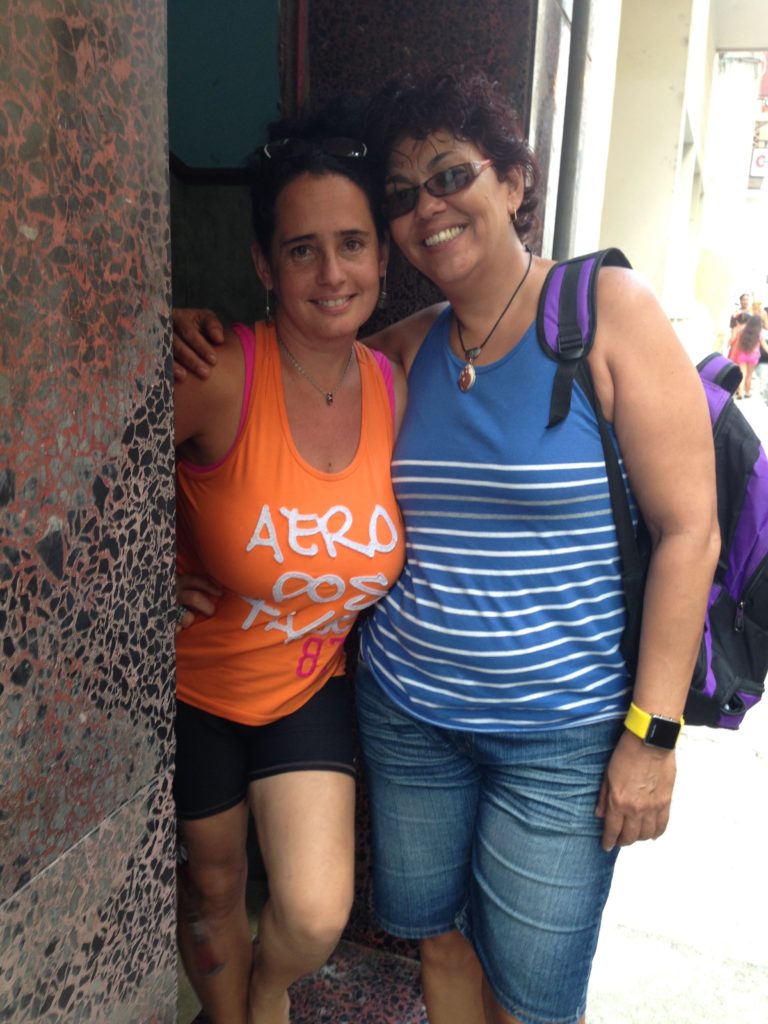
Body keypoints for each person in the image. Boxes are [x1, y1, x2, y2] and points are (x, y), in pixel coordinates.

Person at [174, 71, 719, 1024]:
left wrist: (653, 734)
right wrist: (172, 342)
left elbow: (690, 532)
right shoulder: (411, 347)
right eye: (401, 194)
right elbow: (283, 379)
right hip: (410, 716)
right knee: (441, 944)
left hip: (561, 733)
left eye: (450, 174)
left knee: (533, 994)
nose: (425, 207)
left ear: (514, 180)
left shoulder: (606, 312)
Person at [173, 106, 406, 1024]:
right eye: (301, 249)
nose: (332, 271)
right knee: (213, 902)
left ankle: (263, 996)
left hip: (309, 685)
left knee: (312, 916)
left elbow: (501, 323)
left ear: (383, 260)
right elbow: (67, 451)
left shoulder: (399, 374)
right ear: (265, 266)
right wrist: (130, 576)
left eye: (352, 243)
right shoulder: (217, 370)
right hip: (195, 690)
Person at [730, 313, 768, 398]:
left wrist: (732, 355)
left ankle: (740, 393)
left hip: (742, 355)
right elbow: (764, 345)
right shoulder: (758, 333)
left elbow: (737, 344)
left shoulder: (742, 332)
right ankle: (747, 392)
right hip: (753, 356)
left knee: (742, 374)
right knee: (749, 374)